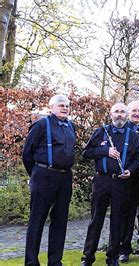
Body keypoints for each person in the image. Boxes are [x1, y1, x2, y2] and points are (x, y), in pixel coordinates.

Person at [81, 102, 139, 266]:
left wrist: (131, 170)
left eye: (123, 112)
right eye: (116, 112)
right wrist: (105, 151)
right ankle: (87, 257)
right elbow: (86, 152)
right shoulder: (101, 132)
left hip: (121, 183)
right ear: (111, 114)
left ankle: (113, 258)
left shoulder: (133, 135)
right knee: (96, 220)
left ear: (126, 115)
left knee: (118, 221)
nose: (119, 115)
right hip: (102, 180)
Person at [22, 94, 76, 266]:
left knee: (60, 221)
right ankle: (31, 262)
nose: (65, 108)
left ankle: (55, 261)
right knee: (37, 220)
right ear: (51, 107)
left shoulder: (70, 126)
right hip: (44, 175)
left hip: (65, 177)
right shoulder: (41, 125)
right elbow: (27, 153)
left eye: (67, 105)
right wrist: (36, 174)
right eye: (61, 105)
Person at [119, 100, 139, 262]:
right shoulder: (123, 130)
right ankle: (124, 249)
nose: (137, 113)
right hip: (129, 177)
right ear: (128, 112)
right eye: (134, 111)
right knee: (128, 214)